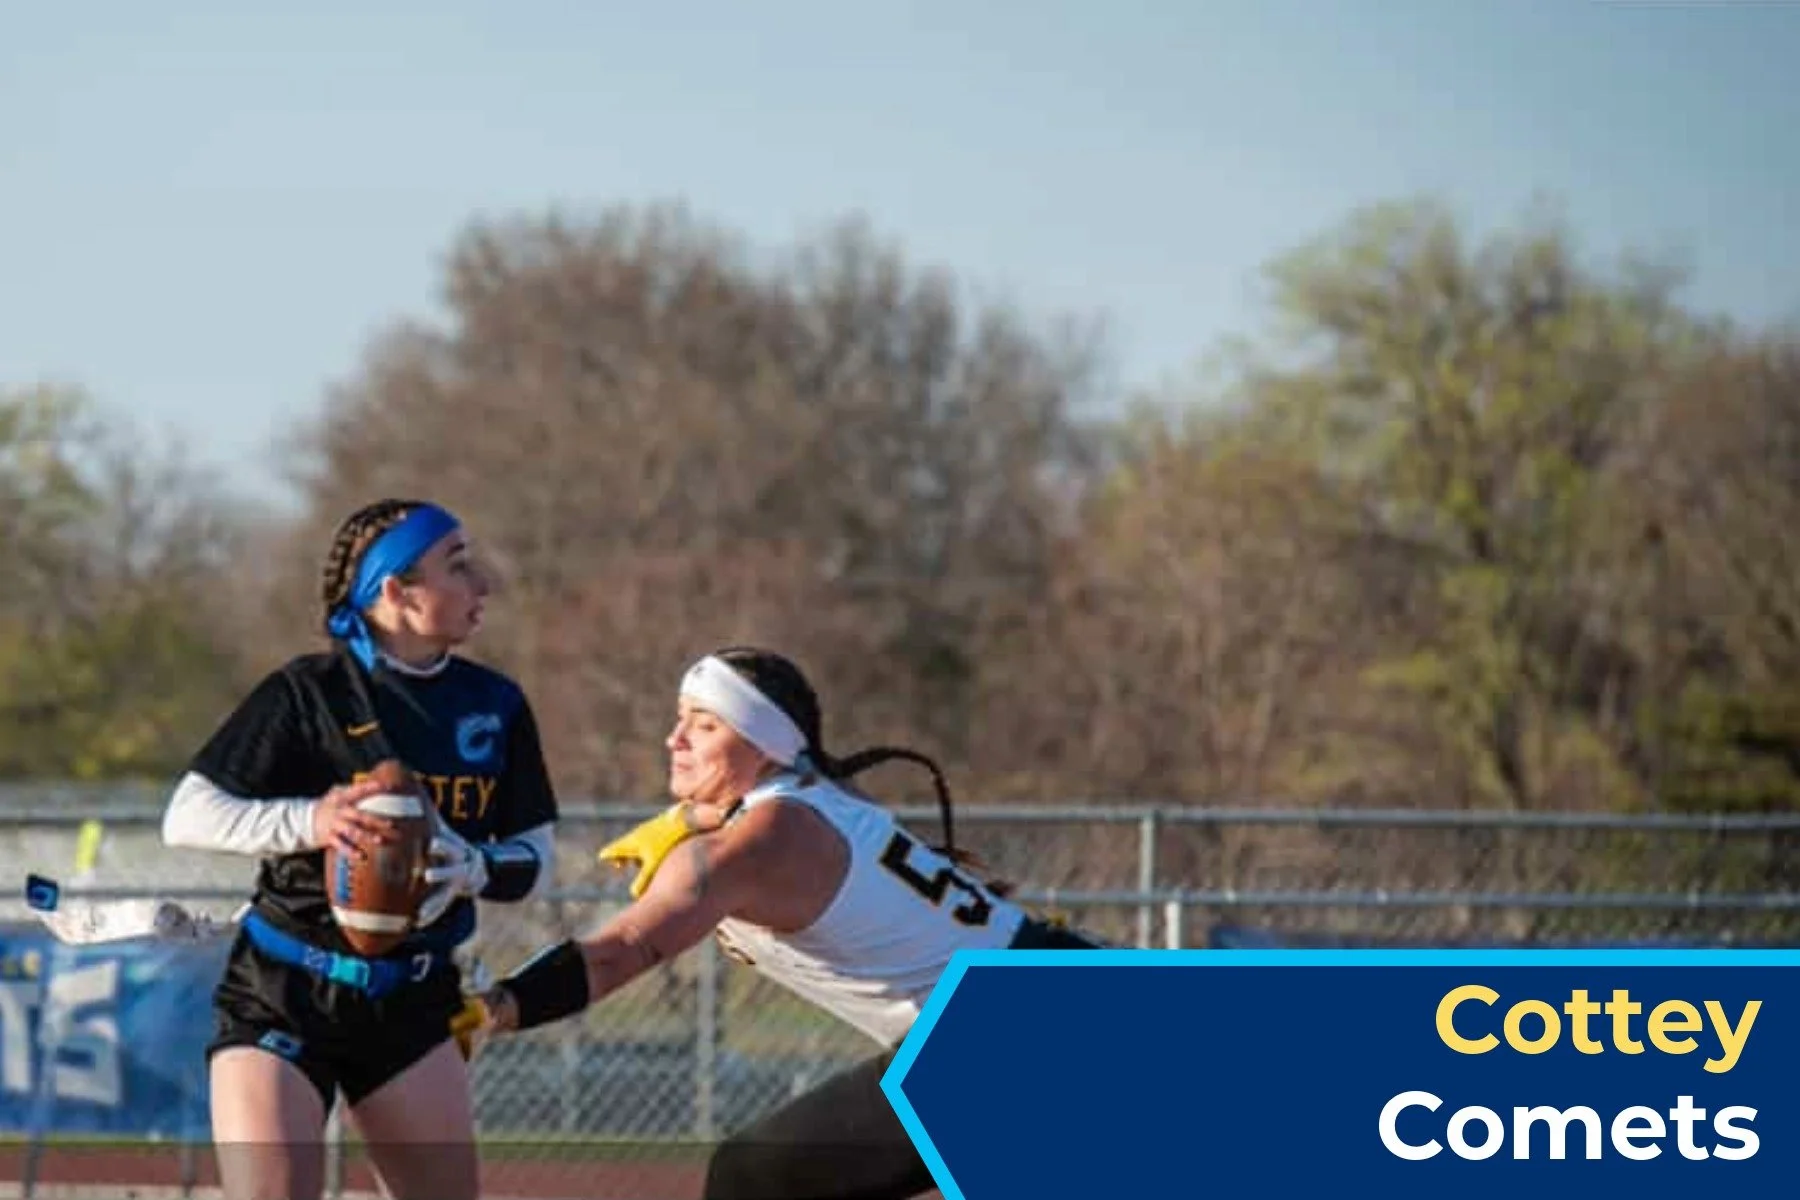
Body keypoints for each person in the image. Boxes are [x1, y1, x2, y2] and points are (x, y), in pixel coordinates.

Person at [472, 646, 1100, 1200]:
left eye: (704, 724)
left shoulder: (751, 846)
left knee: (752, 1180)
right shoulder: (824, 797)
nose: (675, 739)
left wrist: (499, 1007)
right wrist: (693, 819)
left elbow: (622, 949)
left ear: (762, 743)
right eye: (680, 720)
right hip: (1048, 994)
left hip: (1002, 1035)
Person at [160, 498, 559, 1200]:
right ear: (396, 592)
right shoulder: (307, 692)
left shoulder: (495, 704)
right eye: (458, 566)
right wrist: (311, 821)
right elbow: (188, 814)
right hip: (283, 989)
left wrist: (473, 866)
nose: (483, 583)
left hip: (411, 994)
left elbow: (536, 856)